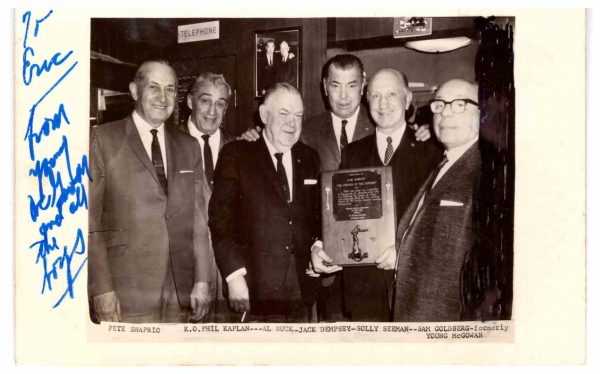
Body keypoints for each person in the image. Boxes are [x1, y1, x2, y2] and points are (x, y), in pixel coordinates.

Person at [311, 68, 442, 321]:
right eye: (375, 96)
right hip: (363, 290)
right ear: (366, 100)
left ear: (407, 100)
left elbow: (437, 223)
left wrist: (404, 252)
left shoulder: (432, 150)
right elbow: (336, 211)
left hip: (413, 286)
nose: (383, 104)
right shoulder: (353, 153)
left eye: (391, 94)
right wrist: (320, 245)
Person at [88, 60, 212, 323]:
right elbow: (89, 221)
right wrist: (100, 288)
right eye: (154, 87)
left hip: (181, 291)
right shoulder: (102, 139)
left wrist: (202, 279)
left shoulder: (188, 146)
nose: (163, 97)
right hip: (126, 292)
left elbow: (199, 221)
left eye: (170, 89)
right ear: (134, 90)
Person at [208, 83, 321, 322]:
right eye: (284, 114)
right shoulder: (236, 155)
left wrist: (317, 247)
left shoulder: (309, 158)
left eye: (298, 115)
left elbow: (316, 218)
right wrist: (234, 277)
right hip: (253, 289)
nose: (292, 123)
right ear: (263, 115)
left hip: (302, 287)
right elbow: (221, 223)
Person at [392, 79, 482, 322]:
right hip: (417, 312)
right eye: (440, 105)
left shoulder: (485, 170)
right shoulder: (445, 162)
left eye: (460, 104)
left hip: (447, 322)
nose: (446, 113)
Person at [177, 72, 236, 321]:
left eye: (220, 103)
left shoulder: (239, 148)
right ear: (190, 102)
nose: (213, 111)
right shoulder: (169, 144)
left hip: (229, 272)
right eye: (205, 101)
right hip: (185, 271)